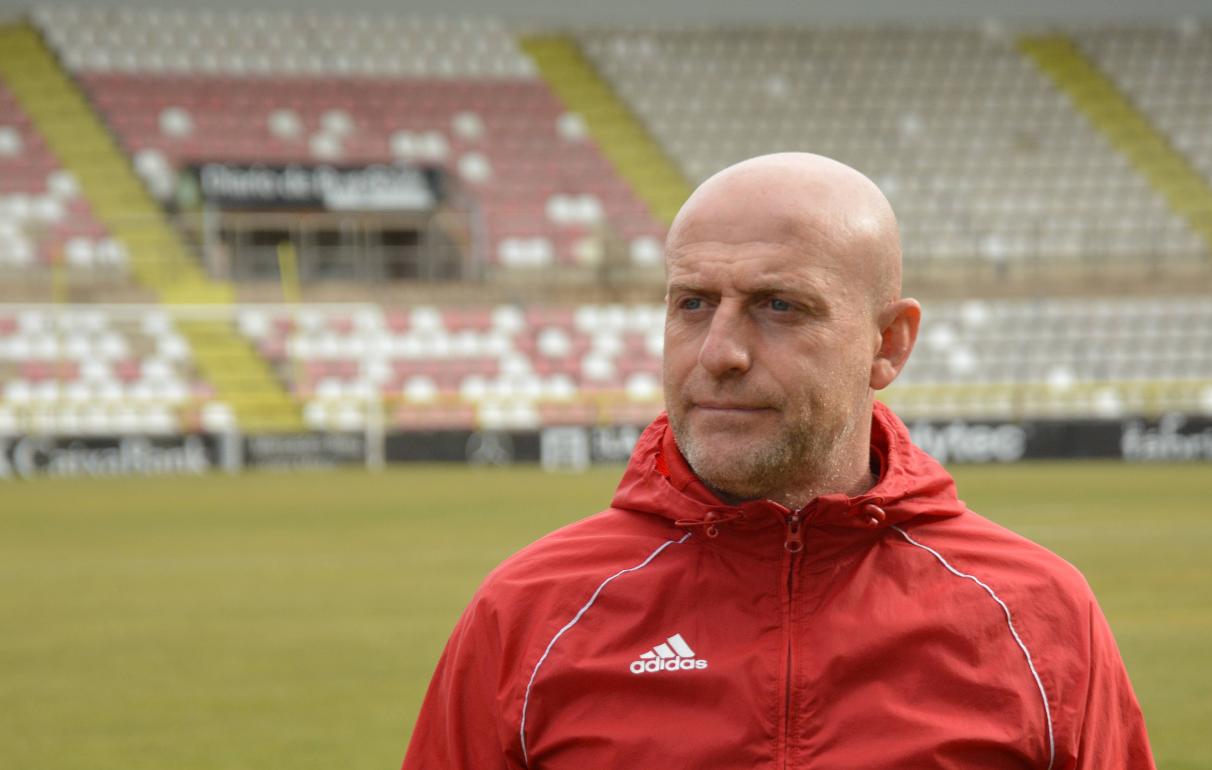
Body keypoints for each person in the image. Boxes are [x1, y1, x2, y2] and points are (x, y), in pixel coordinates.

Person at [402, 153, 1155, 769]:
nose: (720, 353)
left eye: (779, 306)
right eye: (692, 303)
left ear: (888, 344)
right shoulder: (529, 615)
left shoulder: (1039, 616)